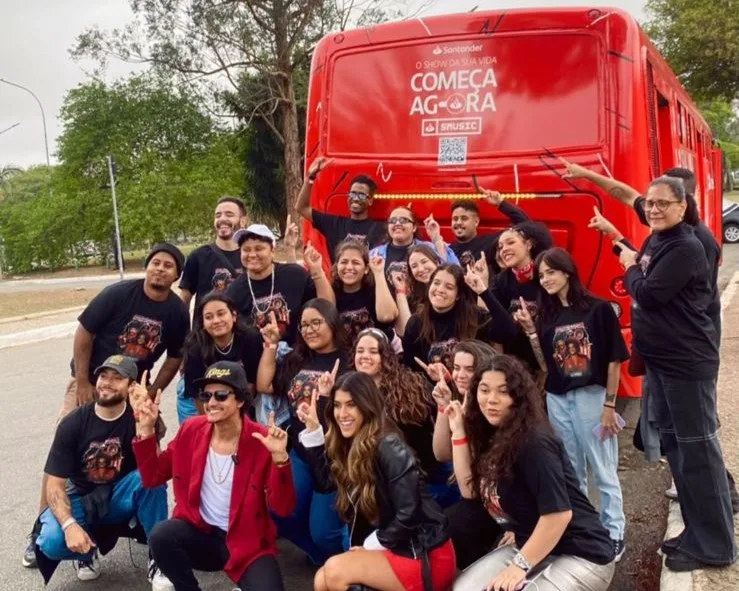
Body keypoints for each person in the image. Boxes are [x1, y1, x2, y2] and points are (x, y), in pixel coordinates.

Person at [596, 176, 735, 571]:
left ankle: (716, 545)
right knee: (678, 453)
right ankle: (696, 533)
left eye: (662, 204)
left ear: (682, 206)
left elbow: (649, 292)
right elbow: (642, 268)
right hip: (661, 363)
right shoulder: (658, 239)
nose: (653, 209)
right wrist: (619, 242)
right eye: (650, 204)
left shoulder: (687, 247)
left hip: (686, 364)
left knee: (698, 453)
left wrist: (627, 267)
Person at [23, 243, 190, 568]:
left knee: (146, 446)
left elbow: (176, 355)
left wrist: (154, 389)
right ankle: (39, 531)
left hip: (134, 388)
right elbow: (85, 331)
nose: (160, 269)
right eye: (155, 262)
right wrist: (83, 381)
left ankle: (140, 524)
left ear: (175, 275)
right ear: (147, 266)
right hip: (93, 380)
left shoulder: (175, 311)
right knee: (65, 450)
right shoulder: (119, 294)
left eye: (168, 265)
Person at [450, 355, 616, 591]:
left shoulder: (534, 442)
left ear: (518, 398)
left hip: (581, 553)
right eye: (484, 390)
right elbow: (469, 491)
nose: (491, 400)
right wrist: (458, 430)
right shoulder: (493, 436)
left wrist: (519, 566)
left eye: (503, 391)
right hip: (533, 545)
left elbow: (559, 515)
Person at [134, 361, 296, 591]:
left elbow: (283, 508)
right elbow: (153, 477)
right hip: (201, 534)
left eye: (221, 395)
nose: (211, 403)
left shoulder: (263, 440)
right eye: (206, 395)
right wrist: (147, 430)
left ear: (240, 400)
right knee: (161, 536)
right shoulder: (191, 430)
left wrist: (280, 459)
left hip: (247, 544)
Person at [515, 247, 629, 561]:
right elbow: (544, 365)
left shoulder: (598, 308)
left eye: (551, 271)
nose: (546, 279)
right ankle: (583, 531)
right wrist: (530, 332)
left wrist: (609, 406)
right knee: (572, 471)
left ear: (567, 271)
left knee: (603, 468)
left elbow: (614, 360)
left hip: (592, 397)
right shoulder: (548, 315)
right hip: (558, 398)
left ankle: (615, 531)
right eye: (541, 275)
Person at [296, 371, 456, 591]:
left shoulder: (389, 445)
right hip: (394, 545)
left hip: (422, 552)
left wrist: (374, 544)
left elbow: (410, 512)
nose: (342, 413)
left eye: (351, 405)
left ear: (367, 405)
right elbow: (326, 483)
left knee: (334, 571)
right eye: (337, 405)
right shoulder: (350, 443)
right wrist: (314, 432)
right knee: (321, 579)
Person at [34, 355, 170, 587]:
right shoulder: (73, 423)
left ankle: (159, 559)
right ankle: (87, 553)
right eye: (103, 376)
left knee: (150, 480)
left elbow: (154, 468)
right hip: (80, 495)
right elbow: (55, 484)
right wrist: (69, 526)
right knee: (50, 542)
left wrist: (144, 426)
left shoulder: (139, 415)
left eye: (117, 378)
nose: (106, 382)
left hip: (119, 493)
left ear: (131, 386)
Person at [256, 298, 349, 565]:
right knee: (280, 512)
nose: (309, 330)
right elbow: (264, 384)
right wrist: (272, 346)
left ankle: (344, 563)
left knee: (325, 532)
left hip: (333, 455)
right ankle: (325, 562)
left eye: (316, 323)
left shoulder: (348, 358)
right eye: (304, 325)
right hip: (299, 452)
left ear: (332, 323)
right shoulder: (297, 359)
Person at [350, 327, 458, 507]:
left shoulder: (410, 384)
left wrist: (446, 383)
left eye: (373, 351)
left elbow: (448, 409)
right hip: (387, 480)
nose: (364, 356)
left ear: (386, 356)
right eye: (359, 351)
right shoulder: (351, 391)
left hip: (430, 476)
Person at [226, 224, 334, 346]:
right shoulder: (234, 291)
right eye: (246, 250)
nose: (252, 255)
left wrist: (317, 271)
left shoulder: (295, 274)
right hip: (258, 359)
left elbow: (328, 308)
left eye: (259, 249)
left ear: (272, 251)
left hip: (299, 354)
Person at [402, 264, 517, 375]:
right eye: (436, 283)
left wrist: (484, 292)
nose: (440, 290)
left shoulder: (474, 316)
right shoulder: (416, 323)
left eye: (449, 287)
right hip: (432, 390)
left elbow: (509, 331)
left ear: (458, 295)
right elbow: (410, 368)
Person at [179, 292, 264, 422]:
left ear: (234, 316)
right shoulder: (195, 348)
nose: (216, 321)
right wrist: (209, 421)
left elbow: (251, 383)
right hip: (206, 398)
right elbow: (196, 393)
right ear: (203, 323)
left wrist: (238, 418)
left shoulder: (250, 338)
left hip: (244, 398)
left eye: (221, 314)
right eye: (209, 317)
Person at [488, 221, 553, 371]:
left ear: (528, 245)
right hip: (514, 365)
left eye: (510, 242)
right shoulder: (501, 280)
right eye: (501, 247)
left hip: (546, 364)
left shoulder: (547, 274)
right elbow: (495, 326)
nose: (504, 249)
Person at [296, 157, 387, 260]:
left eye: (361, 195)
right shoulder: (334, 224)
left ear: (370, 200)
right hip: (338, 276)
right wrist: (311, 178)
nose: (356, 199)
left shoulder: (381, 228)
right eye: (352, 194)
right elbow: (301, 208)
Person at [370, 205, 460, 297]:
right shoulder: (374, 254)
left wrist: (436, 239)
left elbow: (455, 273)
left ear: (414, 227)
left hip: (422, 306)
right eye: (392, 220)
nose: (397, 223)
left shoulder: (429, 248)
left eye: (403, 220)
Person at [179, 196, 247, 310]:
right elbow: (184, 300)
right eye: (218, 215)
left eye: (229, 214)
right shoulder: (198, 256)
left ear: (243, 221)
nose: (222, 219)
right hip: (206, 327)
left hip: (243, 327)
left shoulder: (251, 256)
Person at [331, 240, 398, 341]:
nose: (349, 267)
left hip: (379, 350)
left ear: (366, 268)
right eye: (344, 262)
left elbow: (387, 316)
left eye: (356, 263)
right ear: (337, 266)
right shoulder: (332, 292)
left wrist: (378, 272)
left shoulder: (377, 289)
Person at [449, 189, 529, 269]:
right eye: (455, 219)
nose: (458, 222)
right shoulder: (447, 250)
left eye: (464, 218)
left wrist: (500, 203)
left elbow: (526, 225)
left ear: (476, 221)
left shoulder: (491, 242)